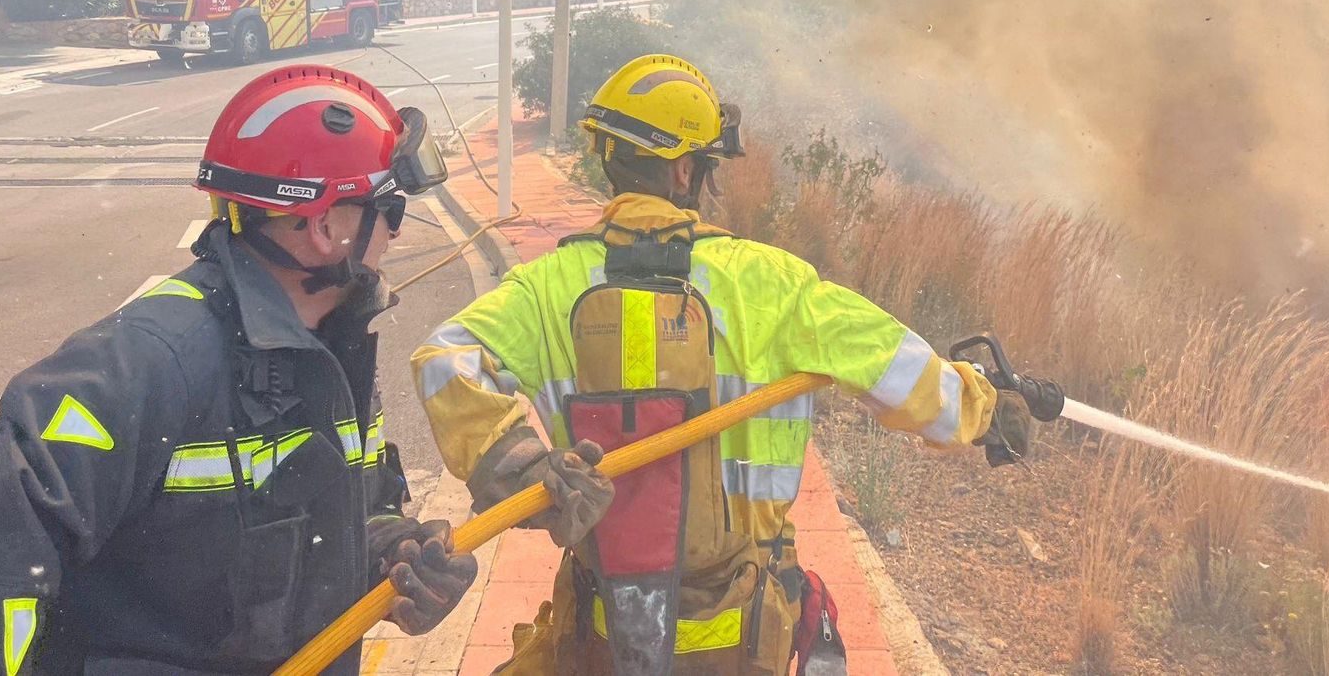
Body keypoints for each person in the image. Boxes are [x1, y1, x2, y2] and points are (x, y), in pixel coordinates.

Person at [411, 54, 1054, 674]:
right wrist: (988, 407)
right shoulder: (772, 283)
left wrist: (520, 466)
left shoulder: (545, 288)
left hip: (607, 626)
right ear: (686, 172)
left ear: (607, 158)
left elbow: (443, 359)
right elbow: (903, 373)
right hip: (744, 630)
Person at [0, 65, 479, 675]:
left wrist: (387, 552)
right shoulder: (145, 364)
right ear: (324, 228)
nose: (395, 234)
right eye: (389, 211)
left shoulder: (325, 347)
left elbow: (323, 512)